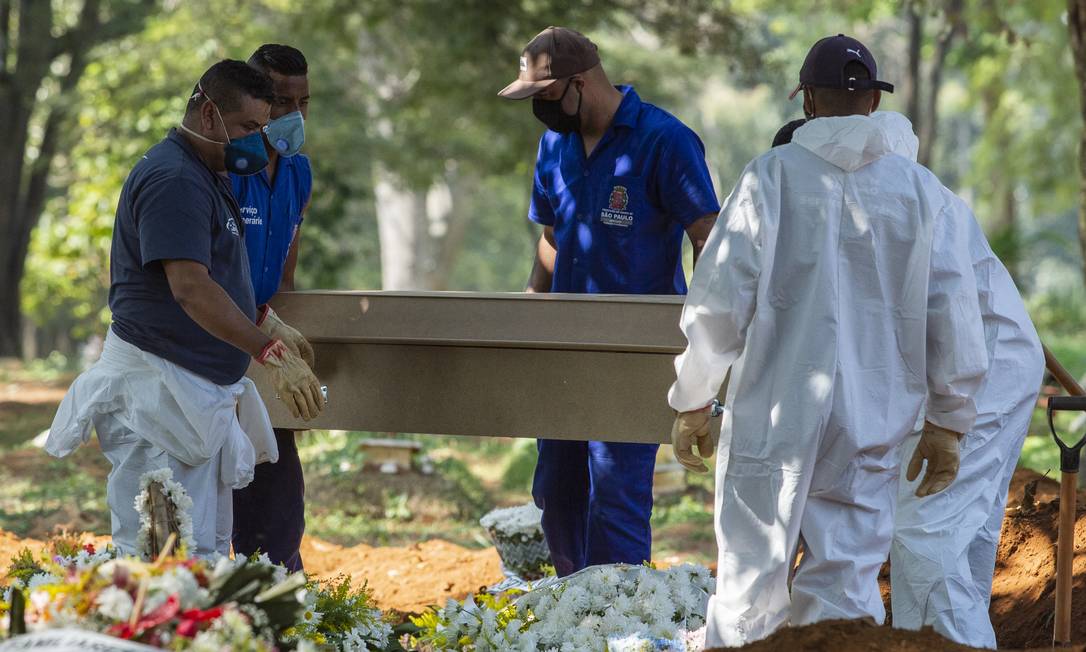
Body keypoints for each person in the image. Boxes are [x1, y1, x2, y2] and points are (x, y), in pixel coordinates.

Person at [667, 35, 990, 647]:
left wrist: (693, 396)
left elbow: (718, 302)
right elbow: (953, 309)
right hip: (871, 423)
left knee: (748, 589)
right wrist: (950, 420)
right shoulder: (922, 192)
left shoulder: (770, 177)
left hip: (775, 414)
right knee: (844, 594)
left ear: (807, 102)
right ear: (873, 102)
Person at [46, 59, 324, 558]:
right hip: (159, 397)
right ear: (209, 114)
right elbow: (190, 289)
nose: (257, 142)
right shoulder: (173, 178)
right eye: (247, 128)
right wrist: (270, 352)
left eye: (261, 129)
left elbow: (219, 275)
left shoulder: (206, 173)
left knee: (206, 558)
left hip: (196, 396)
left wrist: (262, 316)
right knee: (164, 561)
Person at [498, 26, 720, 576]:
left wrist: (706, 345)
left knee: (616, 494)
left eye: (545, 95)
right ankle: (573, 608)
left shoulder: (664, 139)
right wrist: (529, 314)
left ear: (579, 83)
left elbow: (706, 237)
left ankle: (616, 617)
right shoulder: (555, 144)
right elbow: (551, 237)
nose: (540, 111)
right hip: (564, 347)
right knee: (555, 487)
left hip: (633, 350)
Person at [878, 113, 1045, 650]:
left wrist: (947, 421)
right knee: (958, 536)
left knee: (925, 534)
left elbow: (952, 318)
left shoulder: (900, 199)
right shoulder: (880, 193)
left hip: (982, 370)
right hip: (975, 365)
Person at [230, 43, 315, 572]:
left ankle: (278, 600)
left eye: (304, 102)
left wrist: (281, 343)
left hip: (265, 351)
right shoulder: (224, 168)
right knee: (219, 496)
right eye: (281, 102)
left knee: (280, 502)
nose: (293, 115)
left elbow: (284, 275)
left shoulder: (298, 174)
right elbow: (202, 280)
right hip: (213, 350)